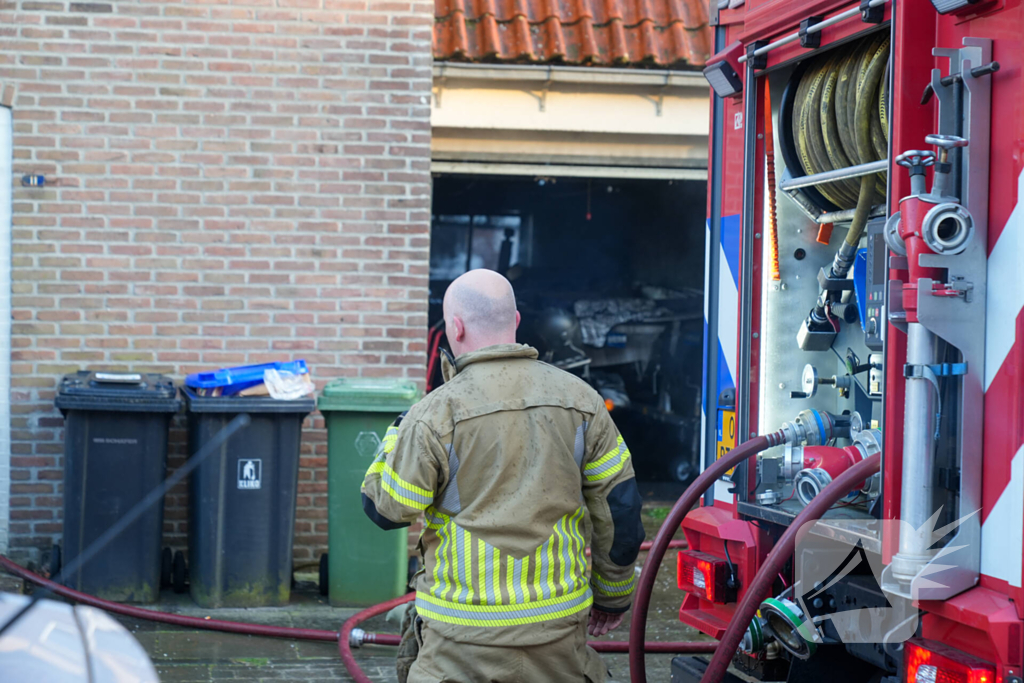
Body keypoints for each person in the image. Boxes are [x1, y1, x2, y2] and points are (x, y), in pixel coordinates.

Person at [361, 269, 645, 683]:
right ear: (515, 321)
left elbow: (386, 510)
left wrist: (394, 435)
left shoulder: (434, 415)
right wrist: (613, 598)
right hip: (557, 631)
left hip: (459, 640)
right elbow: (620, 509)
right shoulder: (582, 401)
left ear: (454, 327)